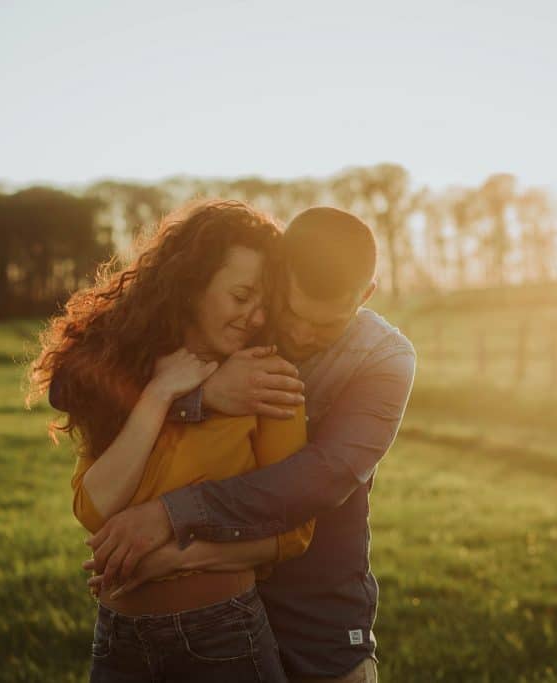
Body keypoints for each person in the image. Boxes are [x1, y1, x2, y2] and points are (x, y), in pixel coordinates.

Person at [84, 207, 416, 683]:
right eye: (293, 312)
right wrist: (204, 394)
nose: (301, 334)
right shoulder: (241, 319)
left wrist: (171, 514)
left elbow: (323, 477)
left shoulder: (384, 359)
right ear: (277, 274)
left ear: (365, 296)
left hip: (318, 623)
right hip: (211, 616)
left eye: (327, 325)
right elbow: (83, 383)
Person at [29, 199, 315, 683]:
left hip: (223, 636)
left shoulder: (267, 379)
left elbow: (293, 531)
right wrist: (161, 393)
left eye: (264, 302)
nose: (254, 316)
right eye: (241, 295)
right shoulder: (129, 372)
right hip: (119, 638)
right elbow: (95, 509)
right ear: (190, 287)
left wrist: (171, 558)